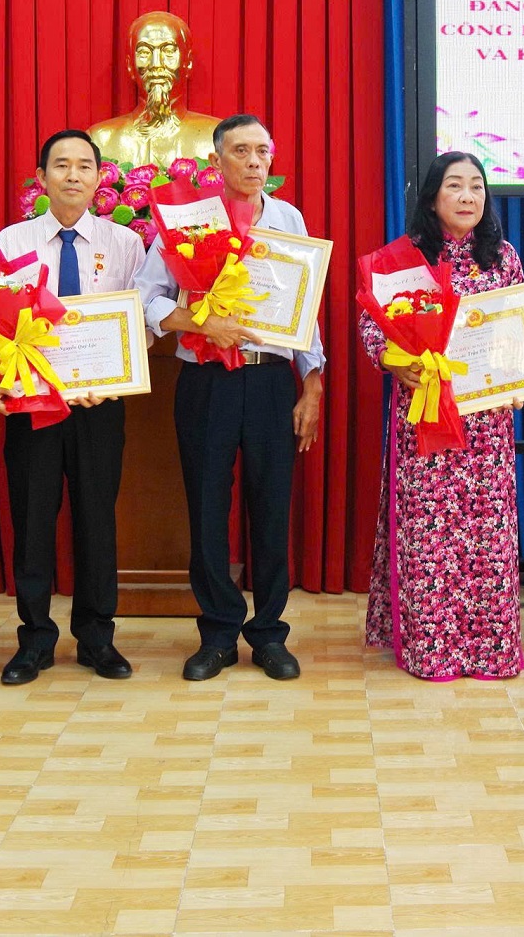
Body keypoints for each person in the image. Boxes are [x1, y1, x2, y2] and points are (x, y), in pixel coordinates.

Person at [135, 113, 324, 681]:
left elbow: (306, 308)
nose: (253, 161)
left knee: (271, 508)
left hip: (271, 381)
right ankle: (217, 633)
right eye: (240, 151)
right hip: (206, 381)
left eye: (262, 150)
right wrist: (199, 322)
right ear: (217, 161)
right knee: (207, 507)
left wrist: (312, 382)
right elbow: (145, 298)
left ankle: (268, 633)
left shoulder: (289, 219)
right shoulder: (188, 220)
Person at [0, 130, 146, 684]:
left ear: (100, 177)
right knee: (32, 520)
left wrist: (117, 373)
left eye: (84, 165)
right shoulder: (12, 240)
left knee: (97, 520)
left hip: (100, 405)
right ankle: (34, 641)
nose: (73, 175)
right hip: (32, 404)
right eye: (61, 165)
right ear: (41, 177)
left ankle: (98, 638)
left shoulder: (125, 243)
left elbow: (142, 324)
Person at [361, 151, 524, 680]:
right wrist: (396, 362)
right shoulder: (403, 258)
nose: (467, 196)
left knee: (486, 533)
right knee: (429, 535)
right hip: (425, 413)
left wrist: (521, 377)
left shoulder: (503, 257)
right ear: (432, 197)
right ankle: (432, 647)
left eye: (476, 186)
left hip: (486, 419)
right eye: (455, 185)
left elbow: (517, 329)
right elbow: (372, 327)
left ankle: (488, 648)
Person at [86, 11, 220, 168]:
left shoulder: (217, 137)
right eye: (144, 52)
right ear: (130, 66)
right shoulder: (100, 140)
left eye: (168, 51)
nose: (156, 64)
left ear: (188, 62)